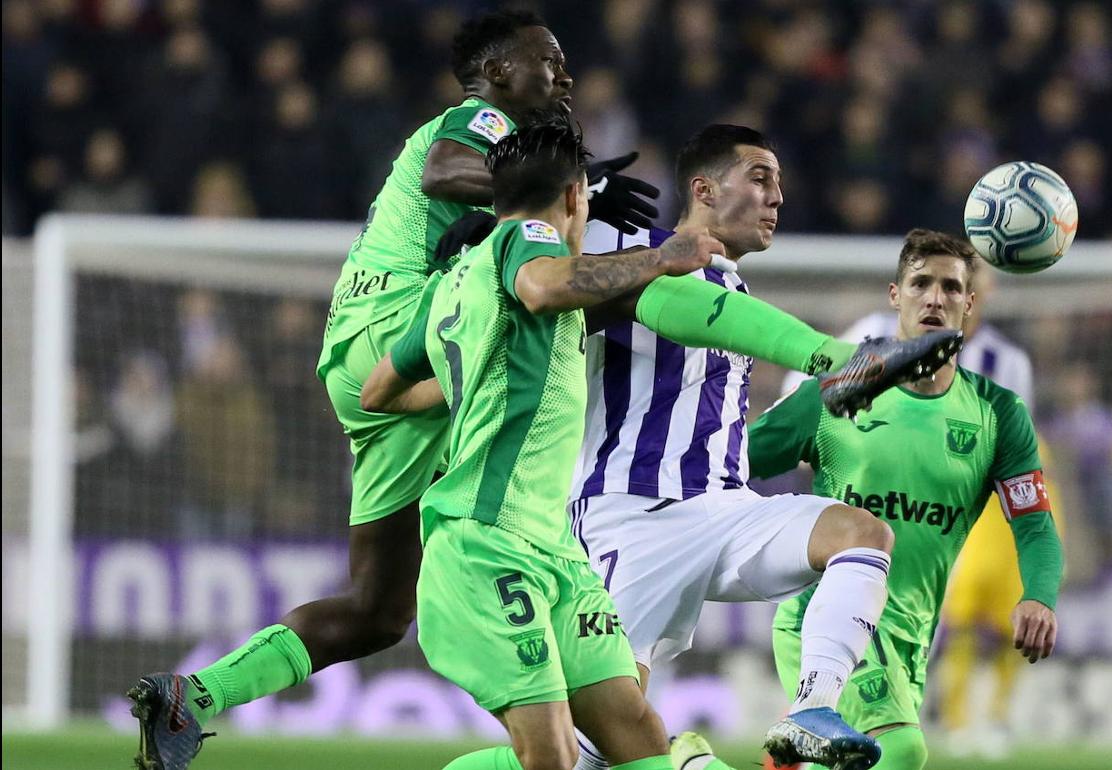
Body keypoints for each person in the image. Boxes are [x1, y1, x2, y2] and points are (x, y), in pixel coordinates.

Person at [125, 11, 658, 769]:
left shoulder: (502, 199)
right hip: (399, 323)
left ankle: (193, 697)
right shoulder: (478, 118)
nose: (565, 77)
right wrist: (576, 191)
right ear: (499, 71)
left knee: (378, 612)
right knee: (534, 352)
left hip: (372, 364)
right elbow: (448, 169)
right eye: (550, 62)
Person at [554, 126, 968, 770]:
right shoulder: (637, 260)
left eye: (779, 182)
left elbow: (735, 443)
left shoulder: (738, 294)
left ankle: (811, 707)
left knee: (860, 533)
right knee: (584, 757)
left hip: (724, 509)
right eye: (759, 178)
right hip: (630, 516)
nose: (777, 197)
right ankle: (686, 762)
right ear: (704, 190)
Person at [405, 117, 716, 770]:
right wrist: (664, 255)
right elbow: (546, 284)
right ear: (577, 197)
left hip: (552, 548)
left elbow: (379, 389)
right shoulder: (527, 238)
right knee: (550, 758)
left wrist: (470, 383)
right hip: (490, 539)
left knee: (633, 729)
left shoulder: (457, 281)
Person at [745, 230, 1064, 770]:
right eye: (920, 283)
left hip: (912, 633)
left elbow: (1033, 523)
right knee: (901, 751)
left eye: (950, 287)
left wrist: (1040, 595)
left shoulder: (997, 414)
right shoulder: (835, 392)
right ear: (895, 295)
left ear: (970, 303)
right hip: (822, 620)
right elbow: (735, 461)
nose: (935, 298)